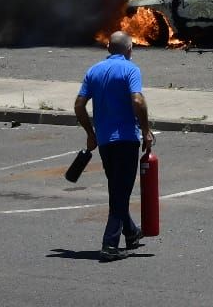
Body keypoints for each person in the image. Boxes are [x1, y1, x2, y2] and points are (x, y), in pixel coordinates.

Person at [74, 31, 155, 261]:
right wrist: (146, 130)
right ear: (129, 49)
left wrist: (90, 133)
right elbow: (137, 100)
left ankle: (131, 233)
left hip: (106, 143)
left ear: (108, 48)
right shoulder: (131, 69)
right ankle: (109, 245)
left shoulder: (94, 71)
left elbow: (79, 105)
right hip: (126, 140)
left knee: (118, 189)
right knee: (120, 192)